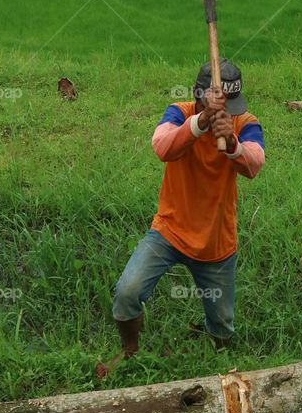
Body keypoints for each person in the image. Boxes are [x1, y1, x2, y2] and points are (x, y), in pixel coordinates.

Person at [111, 59, 264, 357]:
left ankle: (216, 361)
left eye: (230, 106)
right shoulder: (179, 112)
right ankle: (130, 351)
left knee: (222, 327)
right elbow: (163, 147)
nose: (227, 113)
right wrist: (201, 123)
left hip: (216, 241)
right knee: (127, 293)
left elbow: (255, 163)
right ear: (197, 95)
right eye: (219, 105)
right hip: (170, 230)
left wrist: (232, 143)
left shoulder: (244, 122)